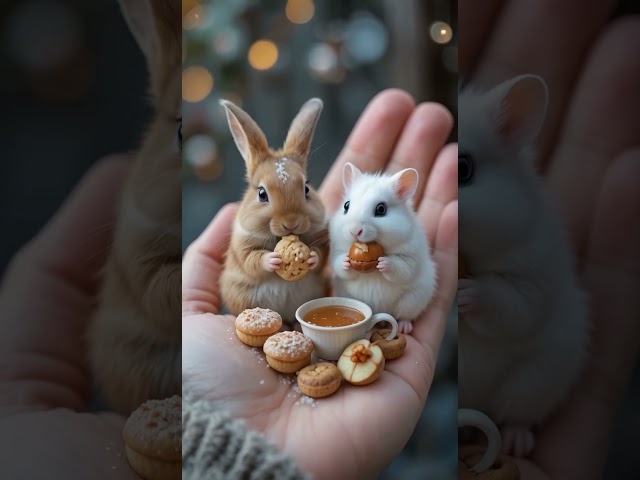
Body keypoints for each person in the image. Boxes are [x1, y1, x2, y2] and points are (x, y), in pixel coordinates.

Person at [182, 89, 458, 479]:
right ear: (253, 190)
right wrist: (264, 259)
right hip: (255, 295)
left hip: (318, 305)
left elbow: (327, 261)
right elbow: (246, 260)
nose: (291, 220)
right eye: (266, 197)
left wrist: (316, 256)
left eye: (303, 193)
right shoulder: (245, 228)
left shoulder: (326, 227)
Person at [460, 1, 640, 478]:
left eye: (460, 173)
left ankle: (519, 419)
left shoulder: (528, 243)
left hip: (522, 364)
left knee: (567, 332)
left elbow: (523, 320)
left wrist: (485, 299)